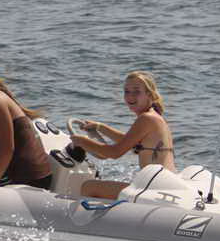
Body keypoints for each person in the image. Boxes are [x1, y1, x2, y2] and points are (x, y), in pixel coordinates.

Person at [69, 70, 176, 200]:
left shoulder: (146, 119)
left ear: (149, 94)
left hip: (154, 188)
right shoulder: (155, 117)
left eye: (136, 91)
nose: (130, 96)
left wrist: (82, 141)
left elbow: (115, 152)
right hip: (163, 185)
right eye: (127, 91)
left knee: (89, 187)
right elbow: (130, 142)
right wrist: (100, 127)